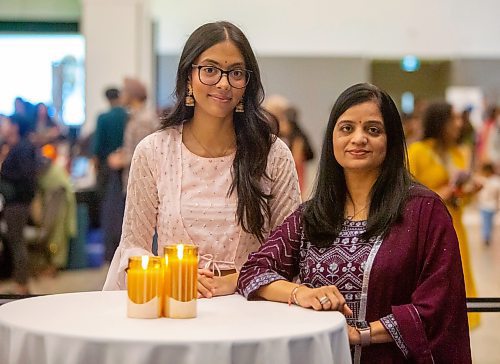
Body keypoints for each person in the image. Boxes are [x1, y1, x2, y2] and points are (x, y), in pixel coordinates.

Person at [237, 83, 471, 363]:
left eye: (373, 129)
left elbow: (439, 303)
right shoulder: (312, 215)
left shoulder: (423, 211)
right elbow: (254, 271)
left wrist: (363, 334)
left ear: (392, 140)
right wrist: (302, 293)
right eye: (347, 128)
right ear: (332, 138)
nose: (358, 138)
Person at [102, 21, 301, 296]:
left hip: (252, 309)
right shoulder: (154, 151)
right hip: (177, 303)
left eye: (236, 73)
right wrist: (171, 274)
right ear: (188, 77)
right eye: (210, 70)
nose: (223, 83)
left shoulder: (272, 154)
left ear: (247, 83)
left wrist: (240, 279)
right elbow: (133, 248)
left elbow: (291, 250)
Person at [408, 101, 481, 330]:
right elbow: (406, 194)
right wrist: (443, 192)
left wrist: (468, 191)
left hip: (455, 226)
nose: (459, 124)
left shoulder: (458, 153)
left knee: (456, 280)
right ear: (440, 122)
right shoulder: (417, 152)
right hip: (425, 229)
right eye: (454, 119)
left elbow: (459, 198)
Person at [91, 87, 128, 261]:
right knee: (124, 210)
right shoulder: (127, 116)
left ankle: (109, 253)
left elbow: (97, 147)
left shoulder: (103, 118)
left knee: (108, 210)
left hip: (107, 169)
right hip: (127, 167)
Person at [477, 162, 500, 246]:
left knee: (488, 222)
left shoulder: (495, 181)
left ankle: (487, 236)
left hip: (491, 205)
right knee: (486, 222)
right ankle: (486, 236)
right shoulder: (482, 179)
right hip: (484, 205)